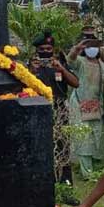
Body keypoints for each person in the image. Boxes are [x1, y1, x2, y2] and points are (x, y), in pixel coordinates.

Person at [30, 31, 79, 186]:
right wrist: (31, 71)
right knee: (41, 146)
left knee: (63, 147)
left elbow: (76, 83)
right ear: (36, 51)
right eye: (42, 49)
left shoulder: (60, 63)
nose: (45, 52)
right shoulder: (30, 65)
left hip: (59, 109)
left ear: (53, 49)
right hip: (37, 109)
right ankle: (45, 183)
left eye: (48, 49)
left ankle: (66, 185)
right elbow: (21, 85)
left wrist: (62, 69)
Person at [67, 33, 104, 180]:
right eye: (89, 47)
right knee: (83, 137)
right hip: (80, 104)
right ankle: (86, 171)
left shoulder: (102, 66)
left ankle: (96, 167)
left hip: (97, 106)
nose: (91, 49)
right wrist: (76, 49)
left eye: (94, 46)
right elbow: (70, 61)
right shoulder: (80, 62)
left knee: (97, 136)